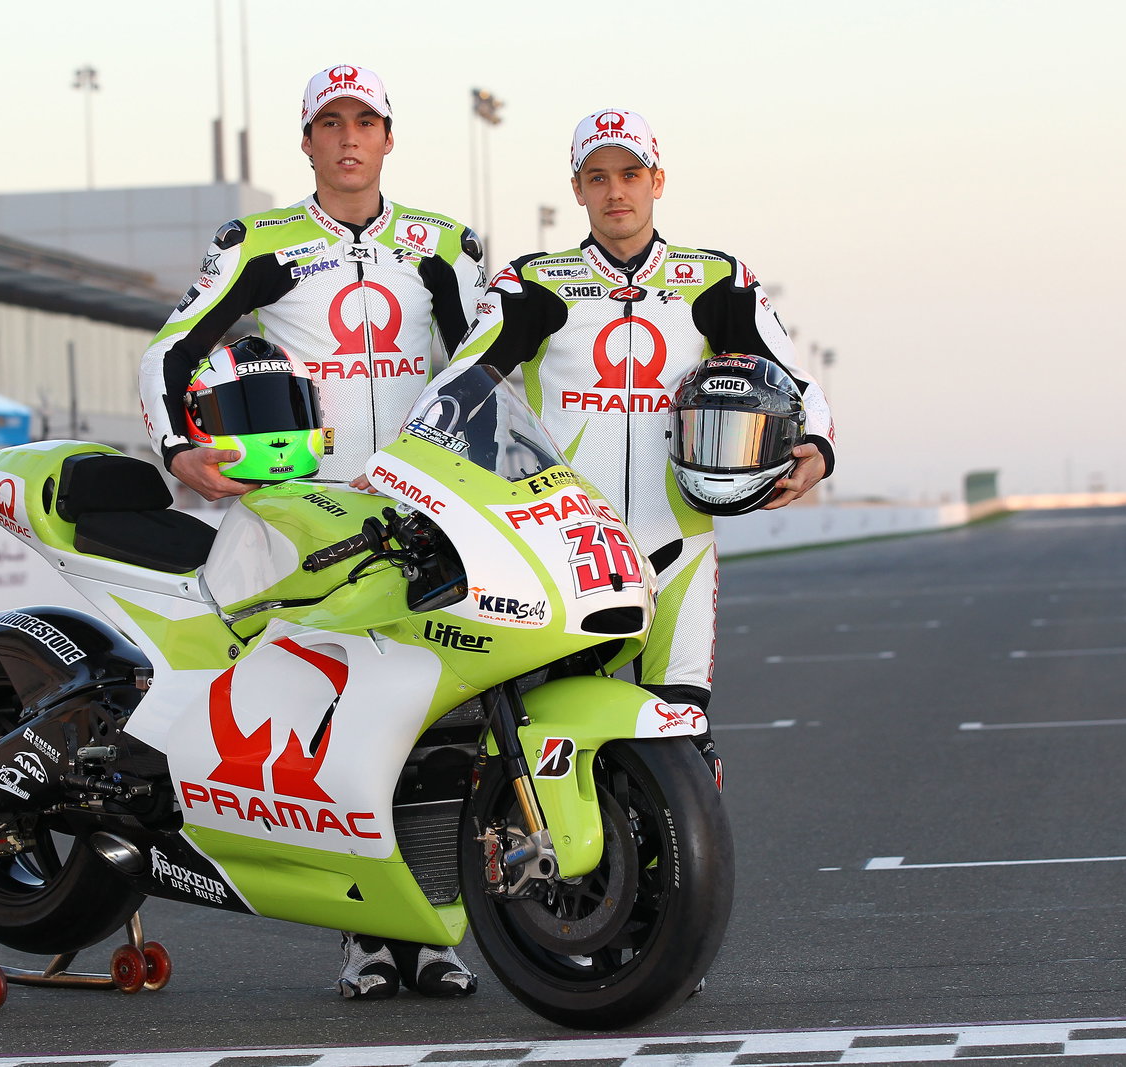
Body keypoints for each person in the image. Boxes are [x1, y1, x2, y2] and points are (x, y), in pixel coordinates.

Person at [137, 65, 485, 1000]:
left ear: (387, 135)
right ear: (307, 140)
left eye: (363, 121)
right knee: (333, 727)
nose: (347, 139)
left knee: (442, 724)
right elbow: (169, 349)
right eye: (329, 123)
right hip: (309, 523)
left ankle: (439, 931)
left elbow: (495, 372)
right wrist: (179, 451)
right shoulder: (261, 240)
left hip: (425, 518)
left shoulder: (443, 245)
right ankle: (363, 938)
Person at [449, 108, 836, 787]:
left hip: (679, 539)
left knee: (684, 743)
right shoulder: (533, 280)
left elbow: (795, 380)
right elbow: (461, 381)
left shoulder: (717, 277)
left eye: (630, 174)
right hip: (568, 551)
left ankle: (678, 887)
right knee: (556, 738)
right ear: (577, 189)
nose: (615, 191)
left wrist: (819, 446)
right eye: (597, 177)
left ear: (658, 179)